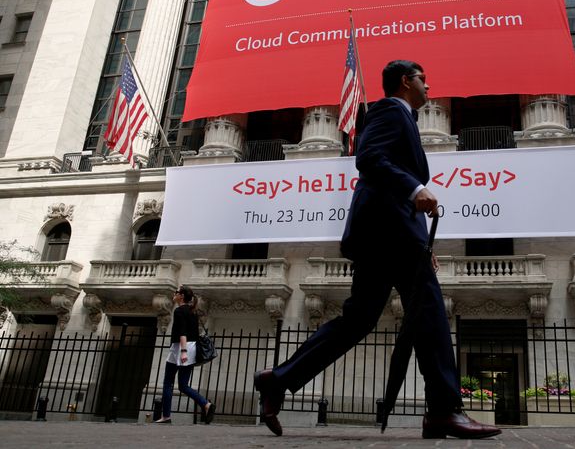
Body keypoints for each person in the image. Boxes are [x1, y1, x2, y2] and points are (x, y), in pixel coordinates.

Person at [253, 60, 501, 439]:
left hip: (390, 235)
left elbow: (388, 175)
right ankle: (443, 411)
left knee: (359, 320)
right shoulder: (389, 110)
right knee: (430, 312)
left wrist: (422, 242)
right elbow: (368, 159)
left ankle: (279, 378)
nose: (429, 87)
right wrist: (416, 189)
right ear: (406, 82)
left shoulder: (406, 119)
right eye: (423, 79)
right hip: (388, 233)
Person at [155, 285, 215, 424]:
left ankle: (166, 416)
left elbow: (182, 332)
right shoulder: (193, 311)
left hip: (180, 347)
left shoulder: (179, 311)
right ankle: (206, 404)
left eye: (176, 292)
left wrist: (183, 352)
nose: (174, 294)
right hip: (191, 347)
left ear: (181, 296)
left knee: (168, 383)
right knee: (183, 385)